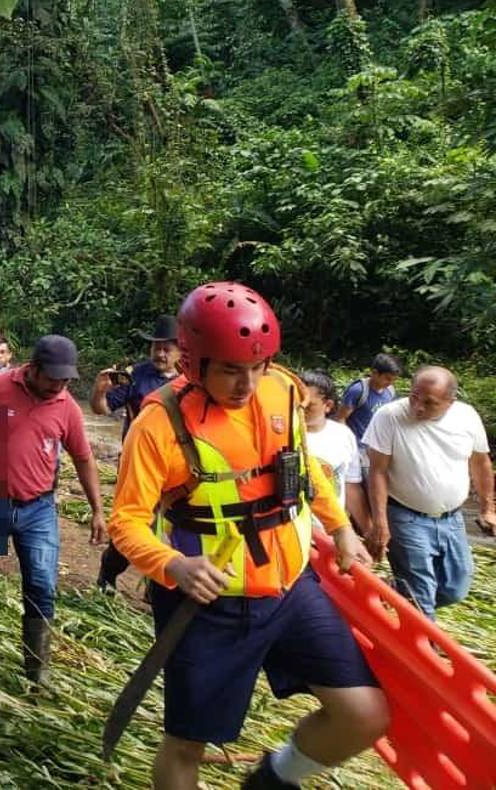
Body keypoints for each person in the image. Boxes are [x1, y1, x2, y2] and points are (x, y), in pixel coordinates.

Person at [108, 281, 386, 790]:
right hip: (208, 607)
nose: (248, 384)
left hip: (291, 589)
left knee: (364, 713)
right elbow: (125, 521)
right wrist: (174, 565)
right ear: (194, 363)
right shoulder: (159, 424)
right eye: (232, 370)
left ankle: (273, 779)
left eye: (257, 367)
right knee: (186, 745)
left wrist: (342, 528)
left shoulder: (282, 389)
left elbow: (302, 472)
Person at [0, 335, 105, 685]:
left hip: (38, 507)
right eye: (52, 378)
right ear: (33, 368)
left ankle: (36, 667)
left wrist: (98, 510)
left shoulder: (67, 406)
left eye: (65, 380)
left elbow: (84, 458)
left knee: (42, 584)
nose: (58, 385)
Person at [362, 366, 494, 619]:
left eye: (429, 403)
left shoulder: (466, 417)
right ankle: (425, 652)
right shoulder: (390, 416)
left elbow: (481, 463)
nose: (418, 407)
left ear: (450, 402)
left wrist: (488, 508)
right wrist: (380, 523)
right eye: (414, 397)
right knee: (421, 596)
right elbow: (377, 471)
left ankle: (396, 596)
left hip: (452, 518)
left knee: (456, 587)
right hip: (406, 516)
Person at [91, 315, 182, 591]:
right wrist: (98, 391)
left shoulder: (194, 379)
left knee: (179, 529)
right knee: (136, 525)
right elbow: (103, 408)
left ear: (181, 350)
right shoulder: (136, 376)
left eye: (167, 348)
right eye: (156, 347)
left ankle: (159, 588)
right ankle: (109, 571)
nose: (160, 353)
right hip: (140, 467)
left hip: (180, 468)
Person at [300, 370, 365, 534]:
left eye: (308, 406)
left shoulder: (343, 435)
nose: (299, 410)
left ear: (327, 405)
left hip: (331, 532)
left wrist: (368, 529)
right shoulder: (281, 436)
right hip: (294, 533)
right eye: (295, 403)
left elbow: (351, 486)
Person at [336, 353, 402, 472]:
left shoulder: (390, 391)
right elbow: (341, 419)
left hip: (377, 446)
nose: (390, 382)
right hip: (359, 447)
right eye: (387, 378)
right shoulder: (358, 391)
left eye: (393, 379)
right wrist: (351, 444)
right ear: (375, 373)